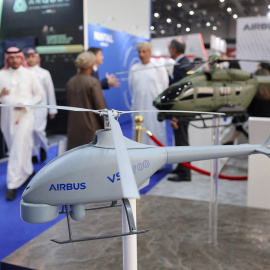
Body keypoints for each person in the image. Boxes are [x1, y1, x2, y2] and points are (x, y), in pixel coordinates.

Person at [0, 47, 43, 200]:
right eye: (11, 58)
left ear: (21, 58)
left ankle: (12, 184)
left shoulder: (30, 74)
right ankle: (27, 170)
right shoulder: (1, 74)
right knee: (17, 146)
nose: (15, 60)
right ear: (7, 59)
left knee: (17, 147)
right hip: (7, 117)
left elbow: (39, 95)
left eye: (17, 57)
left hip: (25, 116)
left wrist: (25, 103)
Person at [128, 42, 169, 145]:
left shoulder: (158, 67)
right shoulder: (134, 69)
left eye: (144, 51)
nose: (141, 54)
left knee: (156, 130)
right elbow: (132, 86)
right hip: (139, 107)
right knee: (140, 132)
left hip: (154, 108)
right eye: (139, 52)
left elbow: (165, 86)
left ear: (149, 52)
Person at [66, 51, 107, 150]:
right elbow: (101, 108)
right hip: (91, 131)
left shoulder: (70, 82)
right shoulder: (93, 83)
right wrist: (109, 125)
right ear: (91, 65)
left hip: (73, 131)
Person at [167, 39, 194, 182]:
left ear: (173, 50)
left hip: (182, 110)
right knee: (180, 139)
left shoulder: (180, 66)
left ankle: (185, 173)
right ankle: (181, 166)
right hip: (185, 109)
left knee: (182, 141)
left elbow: (179, 92)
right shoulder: (185, 63)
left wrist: (176, 115)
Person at [25, 48, 57, 163]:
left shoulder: (44, 73)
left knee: (38, 130)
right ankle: (33, 154)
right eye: (28, 56)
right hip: (27, 108)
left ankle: (43, 147)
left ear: (37, 57)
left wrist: (52, 109)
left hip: (41, 107)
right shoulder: (23, 72)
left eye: (32, 56)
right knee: (29, 132)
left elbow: (50, 91)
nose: (30, 58)